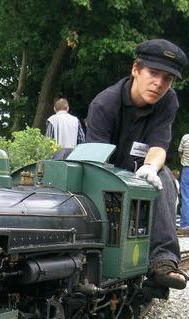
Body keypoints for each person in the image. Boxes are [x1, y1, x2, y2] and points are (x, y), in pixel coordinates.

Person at [86, 39, 188, 290]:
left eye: (168, 79)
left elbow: (159, 144)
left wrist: (151, 167)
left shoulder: (168, 101)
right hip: (105, 171)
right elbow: (93, 162)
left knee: (163, 176)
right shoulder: (104, 104)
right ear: (135, 69)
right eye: (153, 73)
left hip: (141, 174)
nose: (160, 84)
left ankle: (163, 262)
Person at [178, 134, 189, 234]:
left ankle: (185, 225)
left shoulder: (185, 137)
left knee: (185, 198)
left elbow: (180, 153)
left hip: (187, 170)